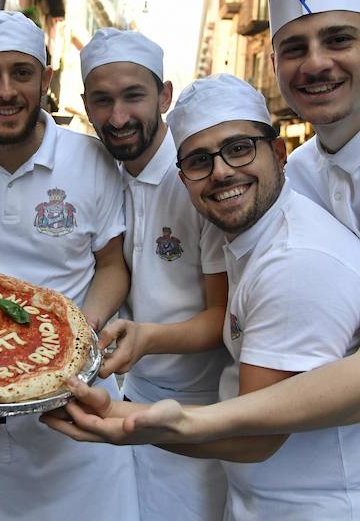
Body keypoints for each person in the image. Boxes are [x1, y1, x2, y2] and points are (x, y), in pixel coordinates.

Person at [48, 0, 360, 520]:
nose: (315, 63)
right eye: (294, 48)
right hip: (343, 430)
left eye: (338, 39)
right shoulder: (302, 169)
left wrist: (166, 420)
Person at [45, 74, 360, 519]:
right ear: (184, 181)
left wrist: (123, 422)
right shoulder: (250, 240)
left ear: (278, 154)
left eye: (239, 148)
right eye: (201, 161)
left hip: (328, 505)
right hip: (273, 497)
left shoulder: (295, 263)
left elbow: (255, 437)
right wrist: (145, 339)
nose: (221, 171)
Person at [0, 11, 138, 521]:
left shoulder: (92, 159)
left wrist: (79, 333)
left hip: (80, 398)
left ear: (46, 76)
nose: (7, 90)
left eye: (22, 72)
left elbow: (112, 265)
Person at [79, 28, 229, 520]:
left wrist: (145, 339)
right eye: (103, 101)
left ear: (164, 95)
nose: (118, 117)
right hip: (128, 396)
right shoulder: (105, 173)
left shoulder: (198, 179)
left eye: (133, 96)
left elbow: (222, 317)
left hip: (199, 406)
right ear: (86, 105)